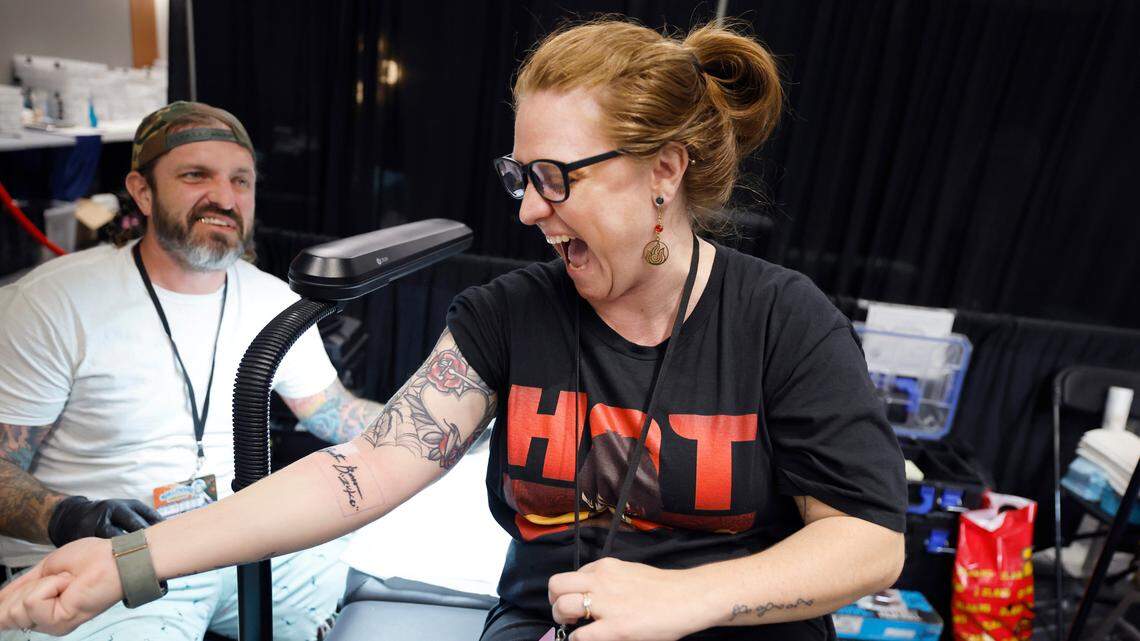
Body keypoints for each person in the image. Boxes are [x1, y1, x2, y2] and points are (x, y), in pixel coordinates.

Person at [0, 19, 906, 641]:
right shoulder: (507, 314)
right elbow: (363, 469)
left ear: (662, 171)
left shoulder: (782, 321)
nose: (530, 211)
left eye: (557, 177)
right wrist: (132, 559)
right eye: (522, 176)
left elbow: (868, 539)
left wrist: (690, 597)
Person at [0, 101, 383, 641]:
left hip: (235, 545)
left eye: (240, 181)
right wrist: (67, 517)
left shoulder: (275, 301)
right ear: (142, 190)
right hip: (107, 565)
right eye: (195, 175)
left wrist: (455, 422)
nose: (224, 198)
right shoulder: (53, 304)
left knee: (391, 591)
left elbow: (331, 413)